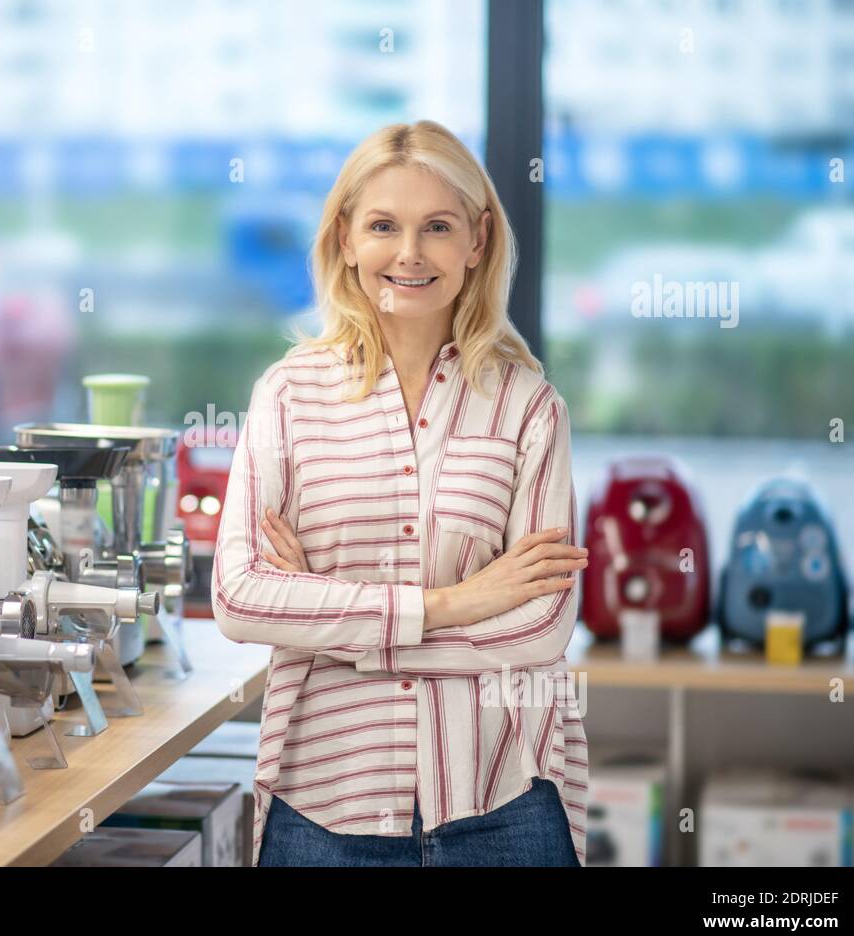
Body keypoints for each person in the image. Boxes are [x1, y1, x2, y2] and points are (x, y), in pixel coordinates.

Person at [210, 120, 590, 867]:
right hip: (324, 801)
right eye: (384, 225)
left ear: (476, 242)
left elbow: (540, 629)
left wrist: (326, 617)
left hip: (504, 800)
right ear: (345, 237)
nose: (409, 253)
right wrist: (456, 601)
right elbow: (240, 598)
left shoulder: (527, 405)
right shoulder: (288, 395)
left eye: (437, 227)